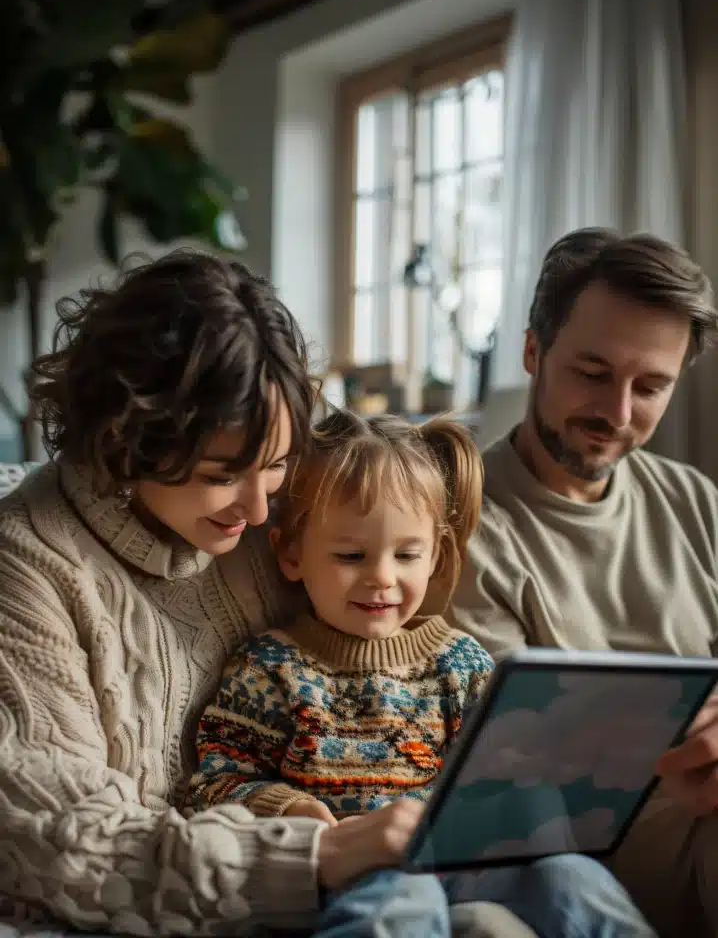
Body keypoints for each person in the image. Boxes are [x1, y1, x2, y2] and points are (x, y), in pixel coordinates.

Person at [0, 251, 510, 938]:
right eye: (223, 474)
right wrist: (315, 854)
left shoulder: (260, 517)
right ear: (125, 438)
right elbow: (65, 841)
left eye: (274, 467)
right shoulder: (29, 565)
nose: (261, 512)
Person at [186, 408, 657, 938]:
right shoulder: (269, 668)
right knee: (400, 901)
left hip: (464, 865)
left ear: (435, 555)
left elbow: (498, 783)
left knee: (571, 878)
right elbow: (213, 782)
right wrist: (289, 806)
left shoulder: (462, 665)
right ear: (292, 553)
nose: (381, 579)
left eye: (407, 554)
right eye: (351, 554)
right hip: (354, 870)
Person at [452, 228, 718, 938]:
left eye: (651, 386)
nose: (618, 414)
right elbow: (513, 769)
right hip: (570, 872)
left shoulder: (694, 503)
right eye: (593, 373)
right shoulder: (457, 525)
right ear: (534, 352)